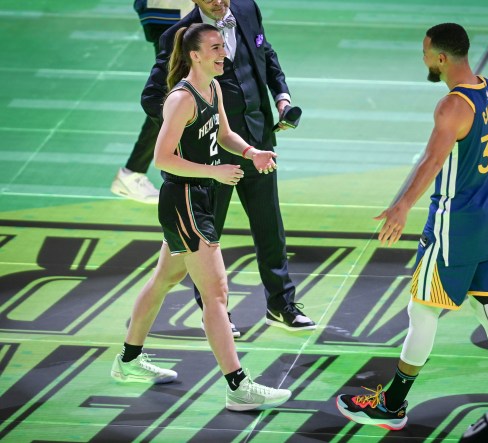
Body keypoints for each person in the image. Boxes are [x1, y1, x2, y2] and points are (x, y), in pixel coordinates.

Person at [335, 23, 488, 431]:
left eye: (425, 52)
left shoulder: (453, 106)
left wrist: (402, 206)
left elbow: (432, 163)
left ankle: (392, 405)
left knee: (421, 310)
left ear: (441, 58)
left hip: (454, 226)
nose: (422, 58)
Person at [110, 23, 291, 412]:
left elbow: (224, 135)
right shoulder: (181, 98)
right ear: (194, 55)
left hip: (198, 197)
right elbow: (161, 158)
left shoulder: (214, 87)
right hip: (185, 198)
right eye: (214, 48)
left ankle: (127, 361)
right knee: (216, 294)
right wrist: (213, 172)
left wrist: (250, 153)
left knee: (163, 280)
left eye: (222, 47)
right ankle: (238, 387)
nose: (222, 53)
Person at [140, 0, 315, 334]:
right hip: (209, 157)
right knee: (207, 238)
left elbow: (267, 54)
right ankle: (214, 313)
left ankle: (281, 305)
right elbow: (152, 98)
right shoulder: (180, 35)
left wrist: (282, 97)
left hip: (255, 142)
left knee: (270, 229)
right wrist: (189, 126)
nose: (219, 2)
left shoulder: (247, 9)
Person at [111, 0, 195, 204]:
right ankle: (133, 173)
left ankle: (137, 172)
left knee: (181, 91)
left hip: (176, 10)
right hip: (169, 10)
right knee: (174, 95)